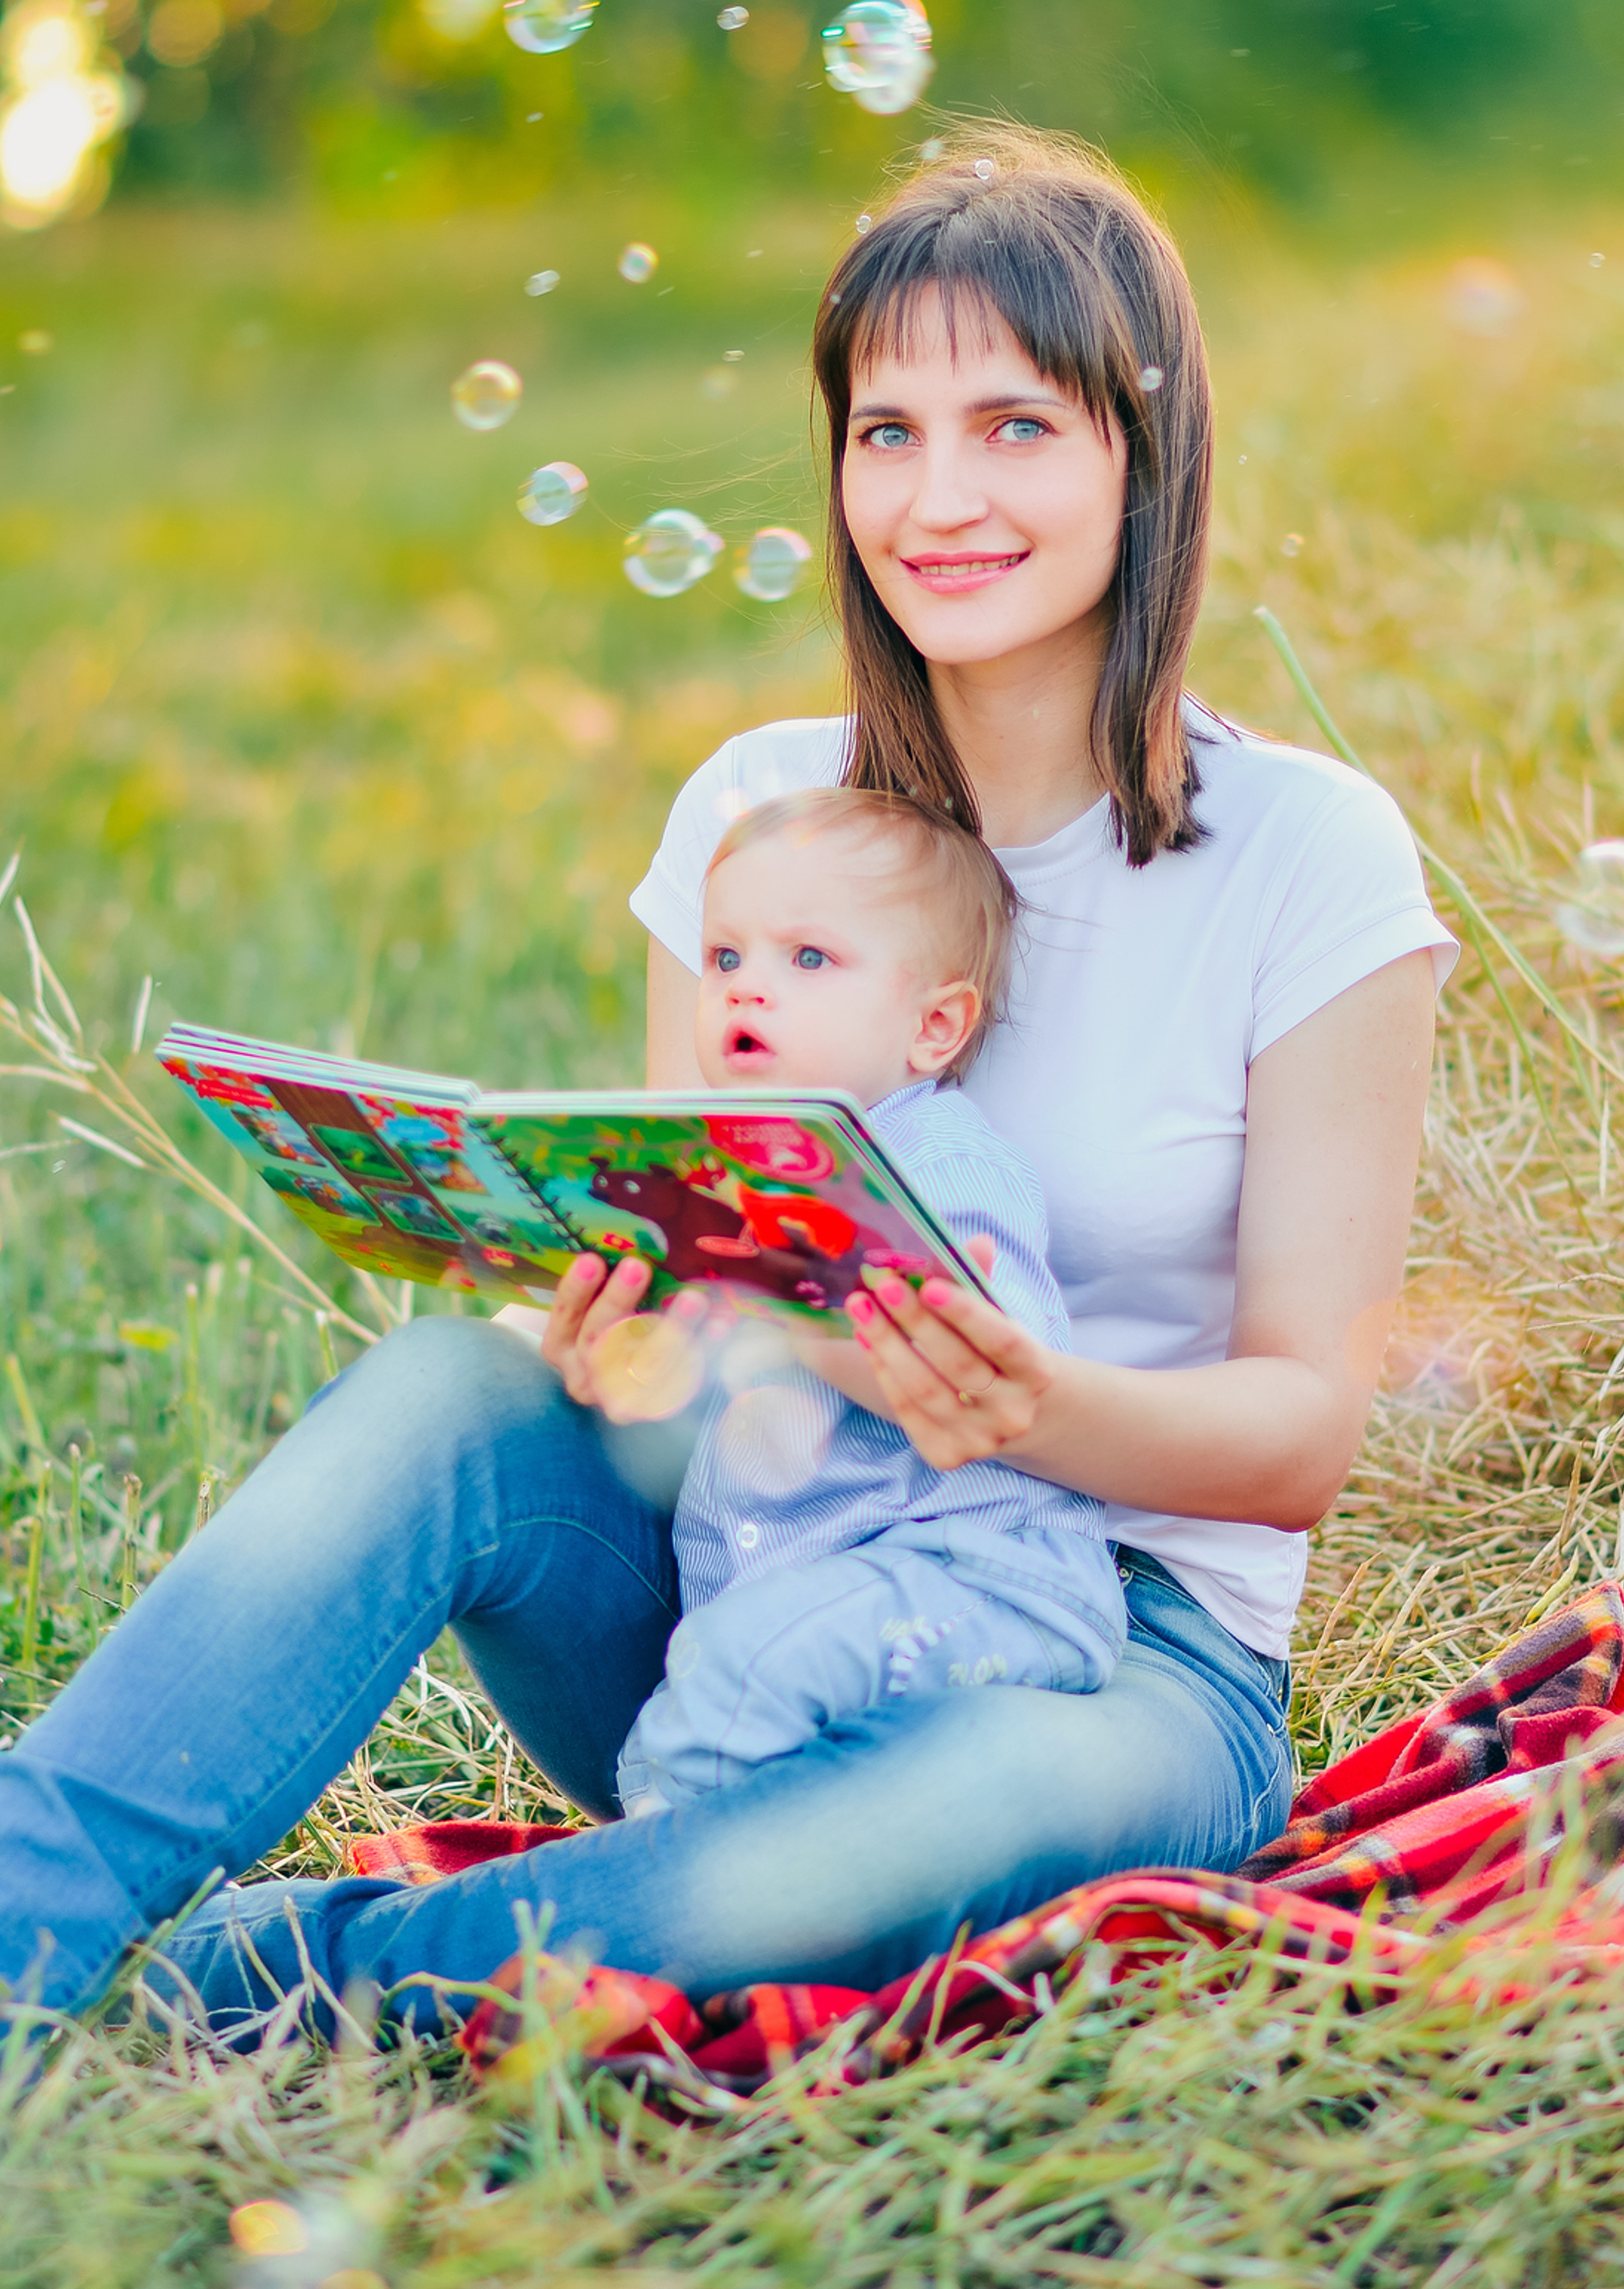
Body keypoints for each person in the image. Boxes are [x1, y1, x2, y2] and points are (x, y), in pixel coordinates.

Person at [0, 122, 1455, 2043]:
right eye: (887, 430)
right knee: (458, 1385)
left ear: (1141, 448)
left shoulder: (1307, 855)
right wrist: (621, 1348)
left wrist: (1025, 1406)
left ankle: (236, 1993)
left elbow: (1298, 1440)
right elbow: (703, 1320)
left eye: (1017, 425)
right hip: (758, 1600)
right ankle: (27, 1917)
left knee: (941, 1814)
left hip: (1118, 1673)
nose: (942, 494)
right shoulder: (757, 825)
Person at [610, 785, 1124, 1819]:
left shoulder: (936, 1167)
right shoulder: (732, 1179)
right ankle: (694, 1890)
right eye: (725, 960)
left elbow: (983, 1377)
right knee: (729, 1705)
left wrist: (770, 1286)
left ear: (934, 1026)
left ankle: (638, 1914)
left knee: (732, 1681)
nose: (748, 992)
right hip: (815, 1601)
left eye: (808, 960)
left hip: (982, 1579)